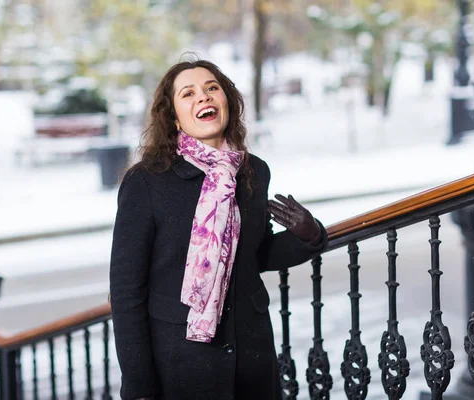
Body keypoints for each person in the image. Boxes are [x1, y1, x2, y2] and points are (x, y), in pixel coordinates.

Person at [109, 58, 327, 400]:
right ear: (173, 116)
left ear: (227, 100)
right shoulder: (147, 182)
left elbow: (255, 254)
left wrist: (309, 234)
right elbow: (126, 293)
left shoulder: (253, 171)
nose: (203, 97)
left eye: (212, 88)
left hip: (251, 355)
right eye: (188, 93)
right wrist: (139, 387)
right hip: (181, 364)